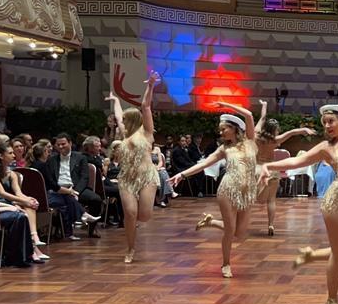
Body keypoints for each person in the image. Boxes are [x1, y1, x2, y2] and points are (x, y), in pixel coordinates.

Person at [260, 104, 338, 304]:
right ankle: (332, 300)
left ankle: (312, 255)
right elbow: (297, 161)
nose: (327, 125)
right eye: (324, 122)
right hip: (336, 202)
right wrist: (269, 166)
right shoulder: (326, 147)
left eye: (331, 121)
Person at [171, 100, 261, 278]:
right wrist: (182, 174)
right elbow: (204, 164)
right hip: (228, 189)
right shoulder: (223, 149)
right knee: (230, 230)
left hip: (247, 192)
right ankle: (226, 264)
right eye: (220, 130)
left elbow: (249, 115)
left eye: (223, 129)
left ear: (235, 129)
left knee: (240, 233)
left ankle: (211, 222)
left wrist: (227, 104)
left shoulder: (250, 141)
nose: (220, 133)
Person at [108, 75, 161, 264]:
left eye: (124, 119)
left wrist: (151, 86)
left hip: (147, 176)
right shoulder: (124, 134)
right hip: (127, 178)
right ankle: (130, 248)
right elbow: (117, 115)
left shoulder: (146, 132)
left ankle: (136, 229)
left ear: (132, 120)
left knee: (144, 216)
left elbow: (146, 106)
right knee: (130, 213)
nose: (121, 121)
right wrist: (115, 100)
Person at [254, 111, 314, 236]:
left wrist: (264, 108)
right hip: (272, 169)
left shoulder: (256, 138)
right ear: (274, 130)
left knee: (257, 199)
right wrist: (304, 129)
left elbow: (261, 119)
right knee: (271, 200)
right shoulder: (276, 140)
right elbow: (291, 132)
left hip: (259, 169)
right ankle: (271, 224)